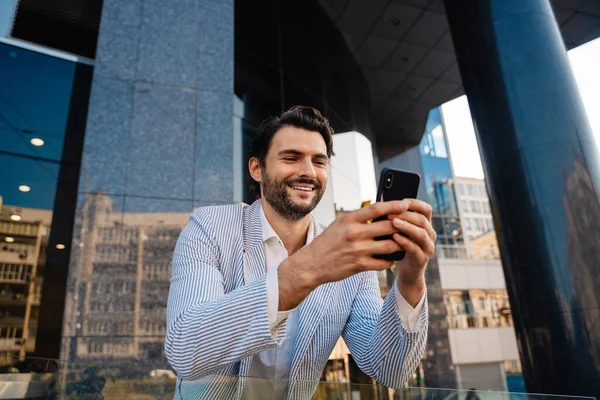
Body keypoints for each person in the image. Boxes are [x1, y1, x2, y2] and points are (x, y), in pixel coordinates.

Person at [165, 106, 436, 399]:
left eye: (319, 162)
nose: (308, 172)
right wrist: (307, 269)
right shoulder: (209, 227)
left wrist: (410, 281)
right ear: (257, 168)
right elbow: (185, 349)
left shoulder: (352, 260)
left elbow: (390, 369)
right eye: (291, 158)